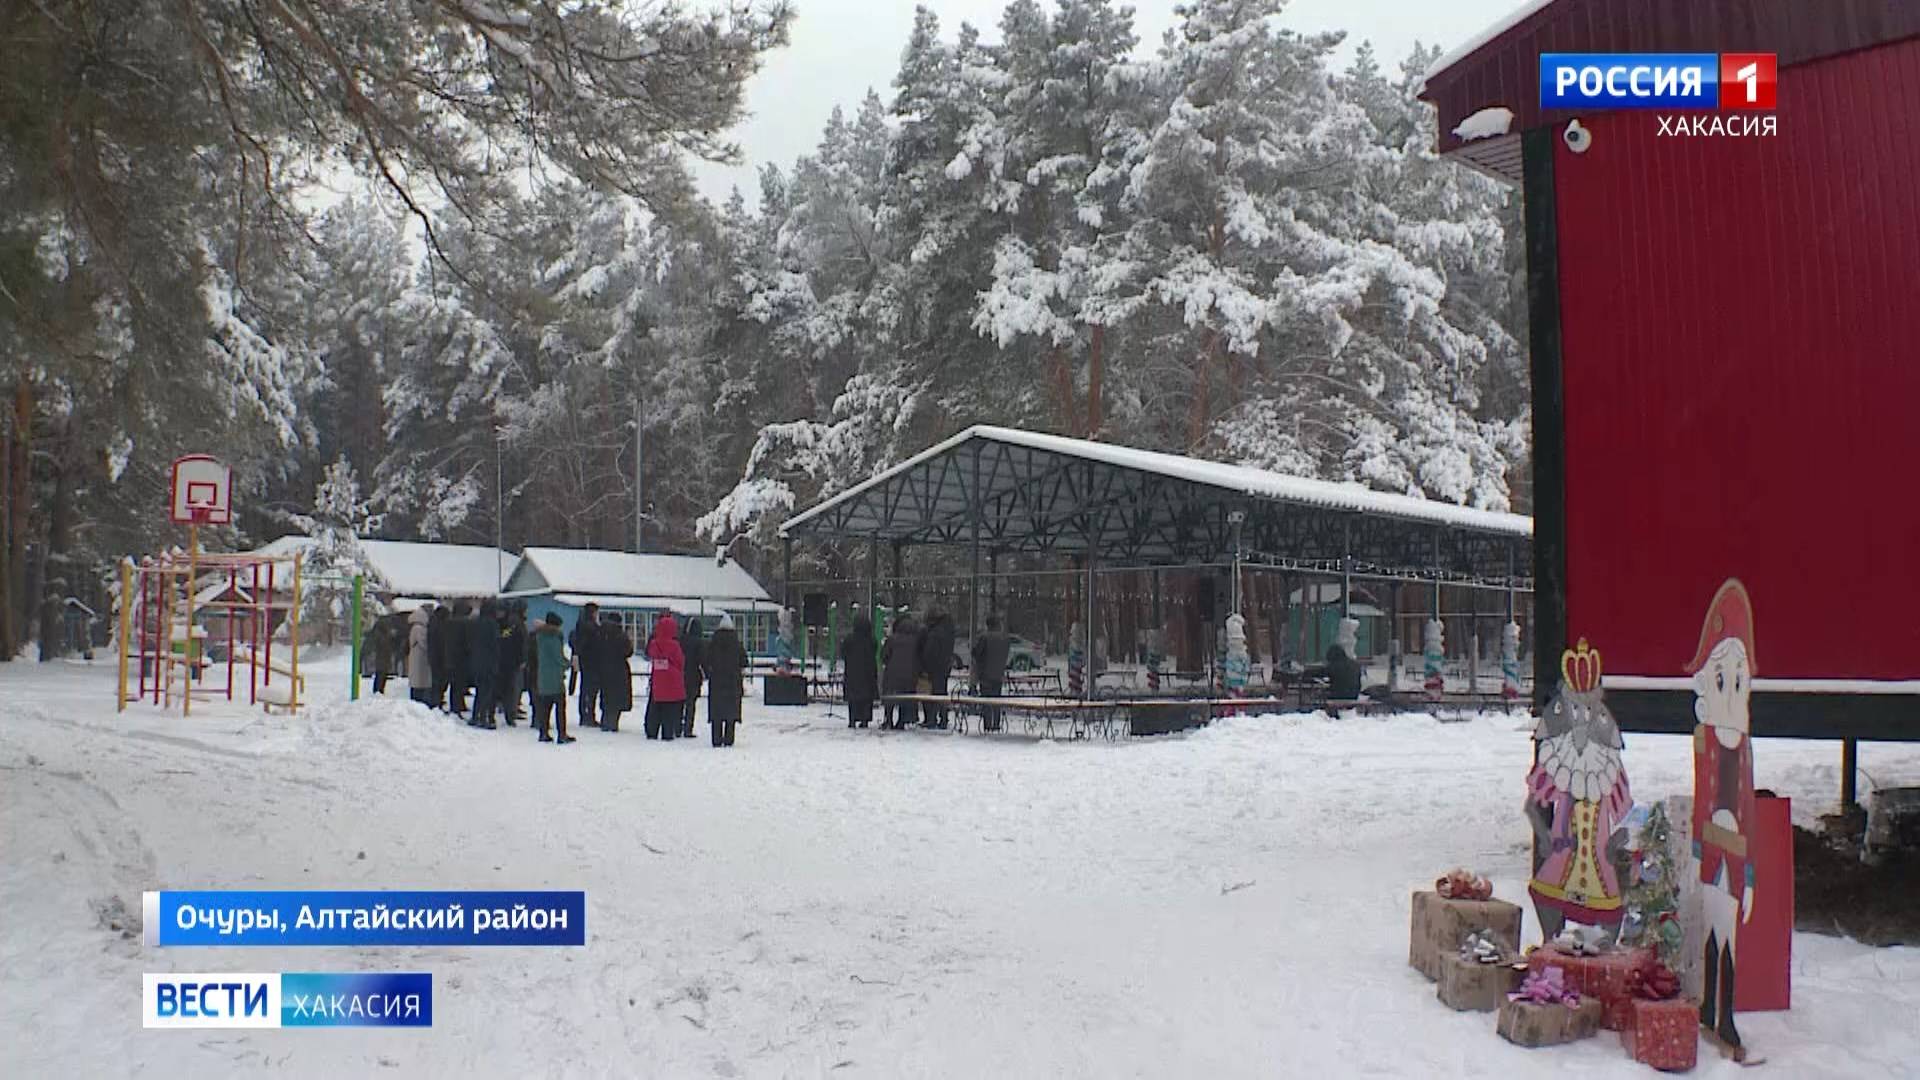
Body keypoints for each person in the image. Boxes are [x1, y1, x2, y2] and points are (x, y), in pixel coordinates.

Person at [529, 612, 574, 744]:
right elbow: (557, 658)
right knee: (560, 708)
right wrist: (568, 664)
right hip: (554, 678)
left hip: (543, 677)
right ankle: (562, 734)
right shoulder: (553, 637)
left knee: (545, 707)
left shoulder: (539, 636)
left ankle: (544, 732)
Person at [704, 612, 746, 747]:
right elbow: (744, 661)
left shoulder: (713, 642)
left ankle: (716, 739)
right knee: (730, 711)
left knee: (717, 711)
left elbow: (707, 659)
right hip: (733, 681)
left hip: (716, 681)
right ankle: (729, 739)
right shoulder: (737, 643)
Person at [644, 612, 686, 740]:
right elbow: (680, 662)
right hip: (672, 681)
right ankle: (667, 733)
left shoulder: (654, 644)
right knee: (669, 710)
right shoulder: (675, 645)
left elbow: (650, 655)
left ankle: (652, 731)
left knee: (655, 708)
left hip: (658, 680)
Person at [880, 610, 921, 730]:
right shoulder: (916, 641)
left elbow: (884, 656)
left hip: (892, 674)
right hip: (909, 675)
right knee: (905, 697)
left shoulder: (892, 639)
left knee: (890, 696)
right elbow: (918, 658)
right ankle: (901, 721)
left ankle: (888, 719)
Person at [971, 614, 1011, 732]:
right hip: (998, 674)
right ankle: (996, 724)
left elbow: (977, 653)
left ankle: (988, 725)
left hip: (986, 674)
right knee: (996, 701)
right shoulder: (1005, 638)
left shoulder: (985, 637)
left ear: (988, 625)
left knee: (986, 701)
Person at [840, 613, 879, 729]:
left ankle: (852, 719)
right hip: (868, 671)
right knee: (866, 697)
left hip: (852, 671)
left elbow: (843, 652)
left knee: (853, 697)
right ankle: (865, 719)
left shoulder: (849, 639)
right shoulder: (871, 640)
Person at [918, 610, 956, 729]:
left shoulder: (934, 633)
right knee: (942, 693)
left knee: (931, 694)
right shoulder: (949, 631)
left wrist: (925, 665)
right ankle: (943, 718)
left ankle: (931, 718)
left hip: (934, 669)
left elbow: (929, 653)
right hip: (945, 667)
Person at [596, 618, 634, 732]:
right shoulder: (621, 636)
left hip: (604, 668)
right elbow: (628, 652)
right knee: (617, 698)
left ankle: (605, 721)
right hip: (619, 670)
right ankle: (613, 723)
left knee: (606, 696)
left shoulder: (601, 636)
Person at [468, 602, 501, 729]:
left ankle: (475, 716)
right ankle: (484, 717)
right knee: (487, 691)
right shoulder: (493, 624)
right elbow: (495, 644)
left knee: (479, 690)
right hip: (489, 662)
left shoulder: (475, 623)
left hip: (476, 661)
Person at [570, 603, 602, 728]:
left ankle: (585, 715)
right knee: (590, 690)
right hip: (591, 662)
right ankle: (588, 716)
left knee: (585, 689)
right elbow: (592, 645)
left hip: (584, 662)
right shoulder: (590, 628)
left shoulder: (581, 625)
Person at [498, 601, 528, 726]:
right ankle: (510, 711)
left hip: (510, 659)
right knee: (513, 687)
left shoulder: (514, 621)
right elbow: (516, 641)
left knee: (513, 687)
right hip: (513, 660)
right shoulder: (515, 623)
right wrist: (521, 658)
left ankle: (511, 708)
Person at [445, 601, 474, 718]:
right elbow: (468, 642)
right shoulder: (464, 623)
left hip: (450, 657)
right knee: (460, 684)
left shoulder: (448, 623)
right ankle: (457, 707)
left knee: (454, 684)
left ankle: (456, 705)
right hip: (461, 658)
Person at [680, 616, 706, 738]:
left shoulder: (681, 640)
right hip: (693, 676)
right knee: (691, 703)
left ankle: (677, 726)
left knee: (679, 702)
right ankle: (688, 728)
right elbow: (702, 660)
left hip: (680, 674)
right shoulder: (699, 642)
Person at [406, 605, 434, 705]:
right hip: (420, 658)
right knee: (420, 680)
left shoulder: (414, 627)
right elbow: (424, 643)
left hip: (416, 657)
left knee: (417, 680)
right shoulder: (419, 628)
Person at [427, 604, 452, 710]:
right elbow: (442, 642)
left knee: (436, 680)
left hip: (434, 656)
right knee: (439, 681)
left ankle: (436, 701)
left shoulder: (433, 623)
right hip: (440, 656)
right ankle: (436, 702)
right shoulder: (440, 625)